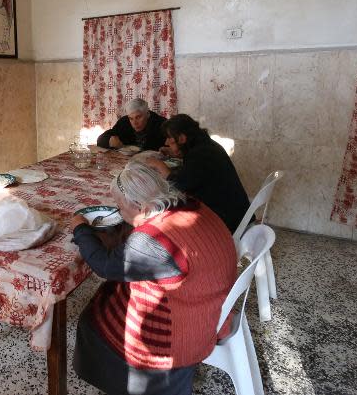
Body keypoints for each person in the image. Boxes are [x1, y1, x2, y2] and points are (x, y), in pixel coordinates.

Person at [70, 162, 237, 395]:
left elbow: (104, 265)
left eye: (119, 208)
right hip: (210, 297)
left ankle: (122, 382)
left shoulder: (153, 241)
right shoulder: (190, 203)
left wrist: (81, 229)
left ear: (139, 204)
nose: (119, 213)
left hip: (184, 332)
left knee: (94, 315)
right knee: (116, 287)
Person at [145, 114, 250, 234]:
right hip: (237, 209)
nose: (166, 141)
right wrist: (177, 151)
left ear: (182, 138)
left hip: (227, 220)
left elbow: (178, 185)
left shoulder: (200, 155)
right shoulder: (205, 145)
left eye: (170, 138)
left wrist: (159, 165)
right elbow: (195, 169)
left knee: (170, 216)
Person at [96, 98, 166, 151]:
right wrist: (109, 140)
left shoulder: (161, 124)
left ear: (147, 114)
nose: (134, 123)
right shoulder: (124, 122)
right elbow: (100, 139)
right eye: (131, 118)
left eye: (138, 117)